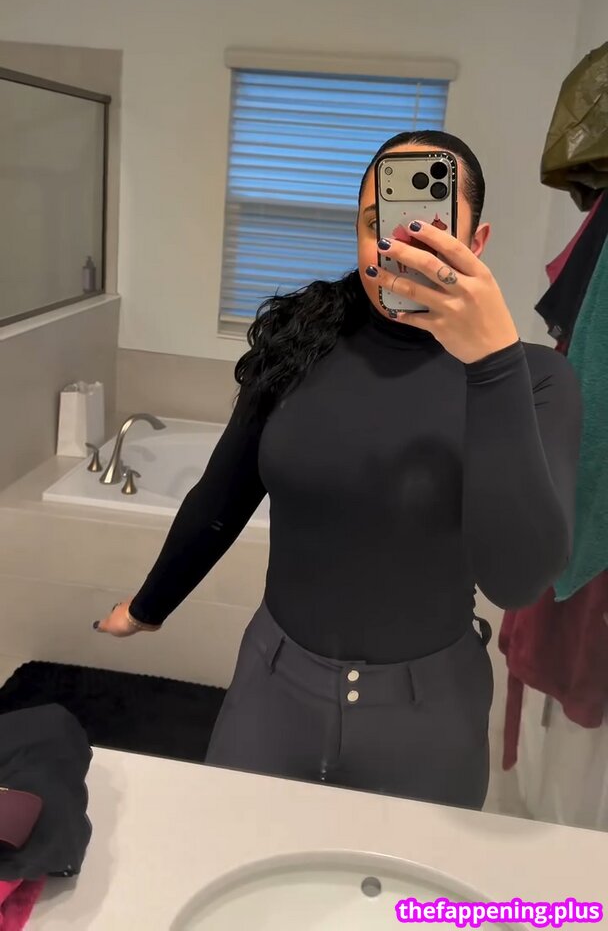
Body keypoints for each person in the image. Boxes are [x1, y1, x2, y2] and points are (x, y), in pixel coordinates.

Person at [95, 131, 582, 811]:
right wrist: (149, 606)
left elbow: (519, 579)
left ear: (477, 242)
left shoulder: (534, 378)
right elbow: (223, 493)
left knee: (405, 884)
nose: (400, 246)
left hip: (430, 713)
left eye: (431, 227)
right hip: (272, 684)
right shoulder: (301, 342)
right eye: (377, 223)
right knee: (231, 854)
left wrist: (493, 364)